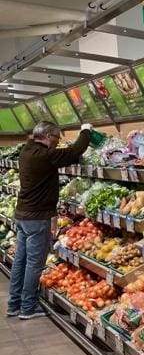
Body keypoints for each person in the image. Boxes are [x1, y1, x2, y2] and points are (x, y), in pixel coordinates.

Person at [7, 121, 92, 319]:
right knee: (34, 264)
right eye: (56, 138)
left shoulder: (26, 151)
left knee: (20, 261)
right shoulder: (45, 155)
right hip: (37, 218)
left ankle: (14, 304)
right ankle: (28, 308)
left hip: (22, 215)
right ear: (47, 136)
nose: (57, 142)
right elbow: (74, 151)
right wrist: (85, 131)